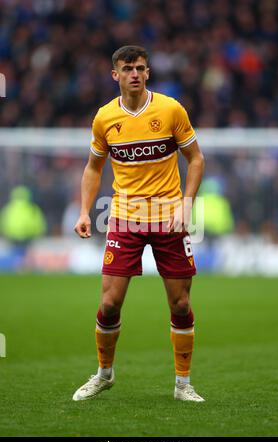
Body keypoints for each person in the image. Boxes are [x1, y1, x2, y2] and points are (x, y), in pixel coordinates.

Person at [72, 45, 205, 402]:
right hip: (125, 218)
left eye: (141, 68)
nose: (135, 73)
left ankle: (183, 385)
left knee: (179, 305)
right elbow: (93, 168)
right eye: (128, 68)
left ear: (148, 73)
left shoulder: (171, 110)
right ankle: (104, 374)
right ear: (115, 75)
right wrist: (84, 212)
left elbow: (195, 159)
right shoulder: (104, 119)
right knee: (110, 303)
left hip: (168, 219)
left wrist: (186, 204)